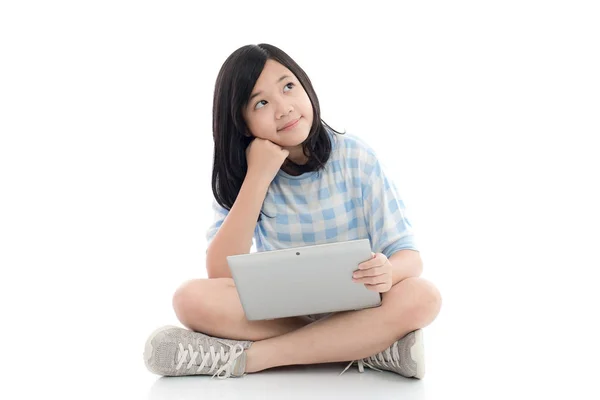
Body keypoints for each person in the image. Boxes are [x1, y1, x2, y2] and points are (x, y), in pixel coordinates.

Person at [143, 43, 442, 380]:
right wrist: (258, 176)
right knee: (189, 298)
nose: (283, 108)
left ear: (306, 87)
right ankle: (370, 347)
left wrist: (388, 271)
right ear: (242, 124)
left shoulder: (355, 156)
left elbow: (410, 257)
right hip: (284, 312)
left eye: (288, 87)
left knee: (423, 295)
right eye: (261, 103)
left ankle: (251, 358)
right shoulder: (245, 174)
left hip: (360, 307)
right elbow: (220, 275)